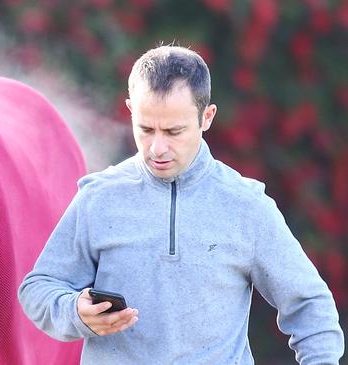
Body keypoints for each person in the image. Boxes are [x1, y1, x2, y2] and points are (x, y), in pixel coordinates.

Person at [18, 45, 344, 364]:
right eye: (146, 129)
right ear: (131, 110)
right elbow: (38, 289)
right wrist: (75, 311)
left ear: (207, 117)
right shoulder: (97, 198)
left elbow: (310, 307)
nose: (157, 148)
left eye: (174, 131)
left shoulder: (248, 206)